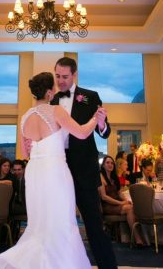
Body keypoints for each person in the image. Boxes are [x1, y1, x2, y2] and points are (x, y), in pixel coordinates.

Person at [0, 71, 104, 269]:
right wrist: (95, 118)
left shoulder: (25, 117)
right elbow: (80, 133)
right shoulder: (55, 111)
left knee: (39, 222)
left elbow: (24, 151)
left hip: (35, 170)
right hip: (54, 170)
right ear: (49, 92)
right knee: (61, 220)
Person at [49, 57, 117, 269]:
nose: (60, 81)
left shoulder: (90, 96)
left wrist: (102, 123)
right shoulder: (51, 100)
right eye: (57, 76)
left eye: (65, 77)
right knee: (59, 224)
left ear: (74, 75)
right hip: (59, 168)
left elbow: (104, 133)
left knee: (94, 224)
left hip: (85, 170)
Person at [99, 156, 143, 245]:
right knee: (129, 208)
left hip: (117, 203)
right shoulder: (100, 177)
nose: (110, 165)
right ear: (103, 165)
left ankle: (133, 238)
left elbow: (119, 193)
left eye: (111, 163)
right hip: (107, 206)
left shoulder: (114, 177)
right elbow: (104, 197)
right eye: (107, 163)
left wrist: (126, 200)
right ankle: (137, 238)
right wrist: (121, 202)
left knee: (132, 206)